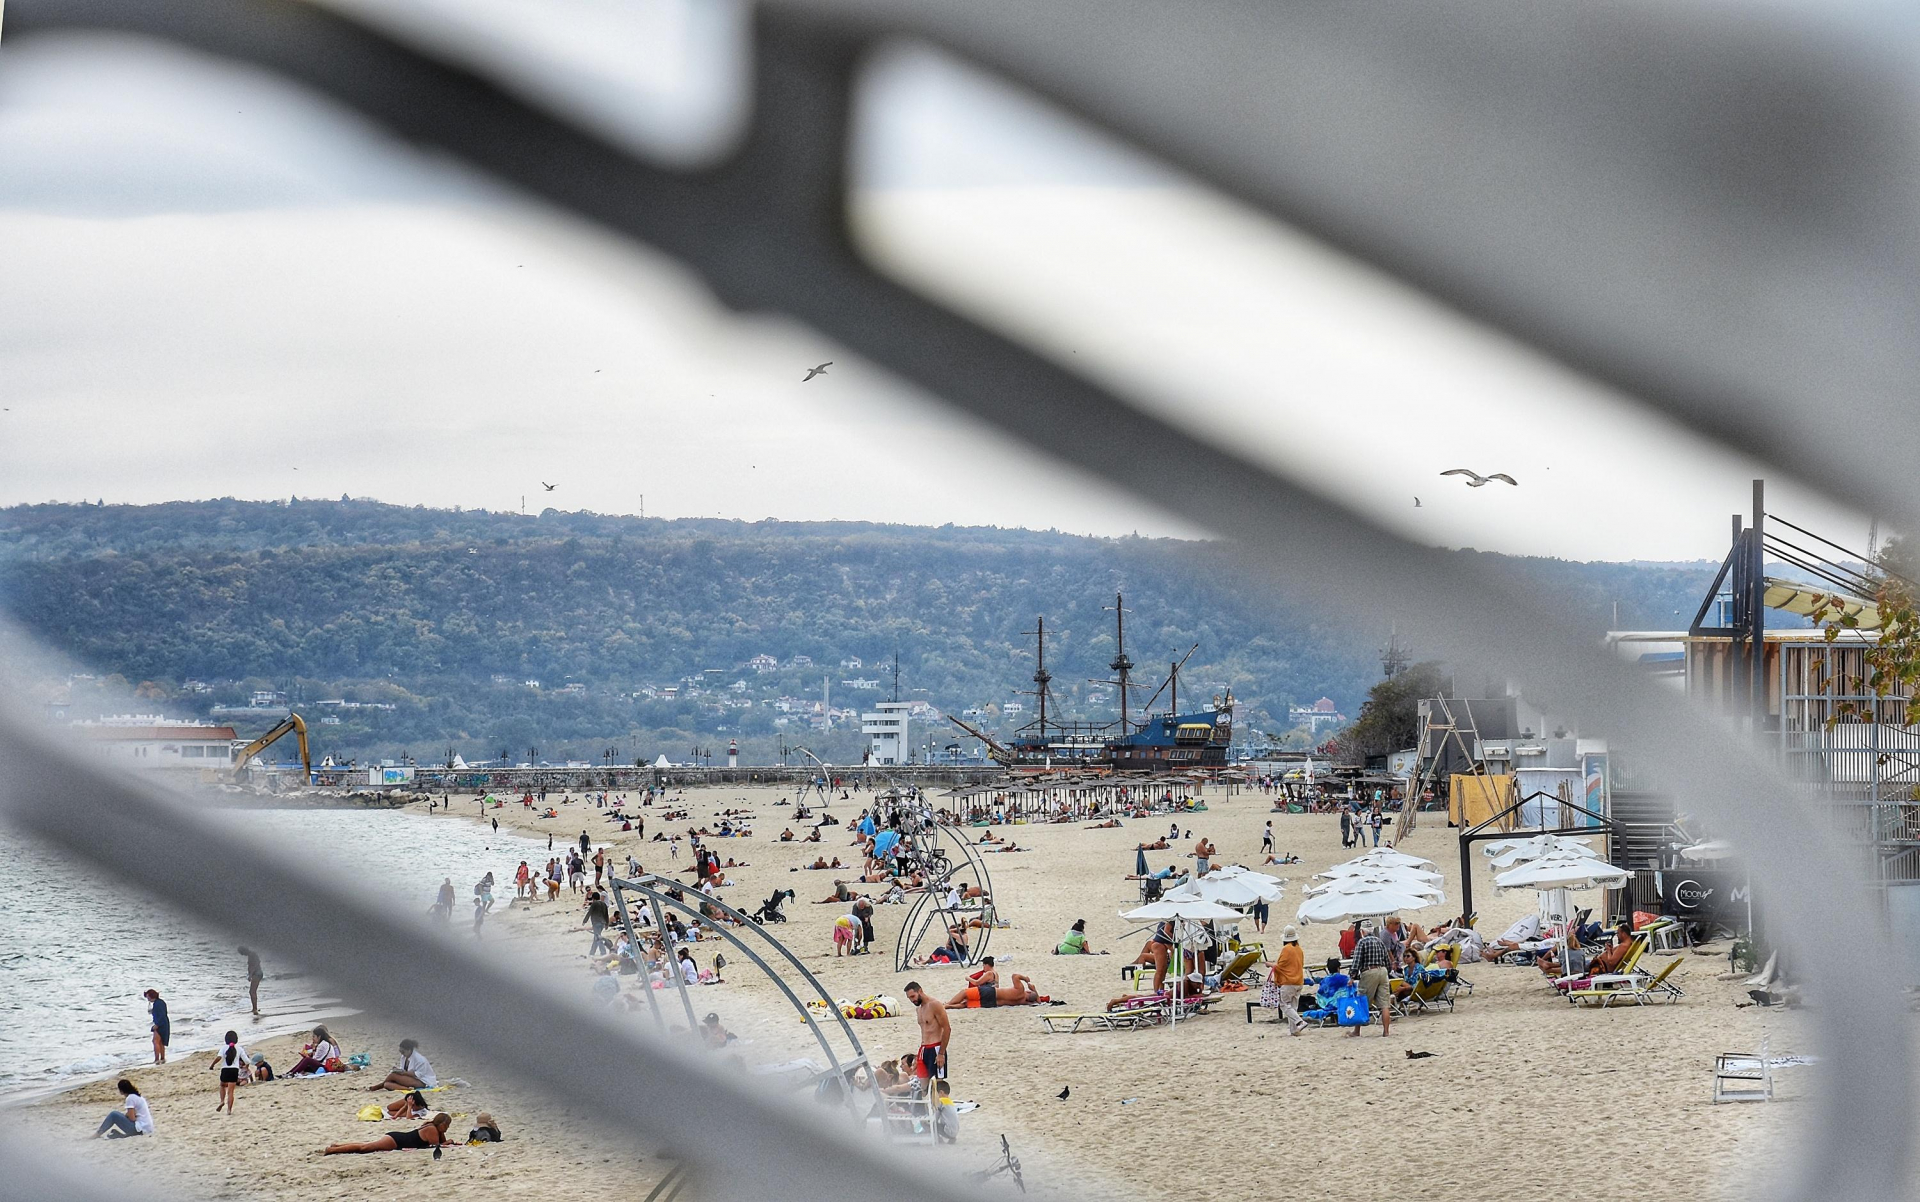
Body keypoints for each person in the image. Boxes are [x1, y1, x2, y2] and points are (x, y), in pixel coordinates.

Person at [324, 1113, 453, 1154]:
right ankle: (332, 1150)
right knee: (365, 1148)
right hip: (396, 1140)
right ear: (440, 1124)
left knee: (367, 1145)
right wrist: (449, 1142)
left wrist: (446, 1140)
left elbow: (441, 1142)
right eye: (446, 1125)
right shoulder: (432, 1129)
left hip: (397, 1138)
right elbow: (436, 1145)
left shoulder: (435, 1129)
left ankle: (337, 1146)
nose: (447, 1128)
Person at [1350, 923, 1392, 1038]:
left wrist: (1352, 976)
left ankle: (1357, 1031)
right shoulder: (1379, 941)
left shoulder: (1362, 942)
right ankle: (1386, 1031)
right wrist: (1387, 971)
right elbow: (1387, 959)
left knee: (1362, 1001)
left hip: (1369, 971)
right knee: (1384, 1004)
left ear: (1362, 931)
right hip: (1382, 970)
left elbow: (1356, 961)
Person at [903, 981, 950, 1083]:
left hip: (936, 1048)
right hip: (923, 1049)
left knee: (938, 1084)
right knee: (923, 1085)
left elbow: (946, 1028)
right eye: (909, 998)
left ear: (920, 991)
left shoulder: (934, 1005)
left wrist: (941, 1053)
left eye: (913, 996)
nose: (912, 1000)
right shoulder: (919, 1009)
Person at [1270, 926, 1306, 1035]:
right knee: (1293, 1007)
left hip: (1288, 982)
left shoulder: (1287, 949)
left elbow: (1280, 966)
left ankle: (1299, 1021)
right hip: (1299, 981)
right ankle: (1294, 1030)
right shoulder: (1299, 949)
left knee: (1284, 1005)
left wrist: (1269, 965)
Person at [368, 1039, 437, 1091]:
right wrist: (398, 1070)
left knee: (392, 1076)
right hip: (411, 1079)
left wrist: (403, 1073)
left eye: (403, 1052)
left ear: (409, 1050)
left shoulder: (420, 1059)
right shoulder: (404, 1057)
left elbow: (418, 1075)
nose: (402, 1054)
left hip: (423, 1081)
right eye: (400, 1052)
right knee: (387, 1085)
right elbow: (404, 1070)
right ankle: (407, 1089)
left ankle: (379, 1086)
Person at [209, 1030, 249, 1114]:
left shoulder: (223, 1048)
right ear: (236, 1039)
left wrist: (212, 1065)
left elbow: (219, 1058)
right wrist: (246, 1066)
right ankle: (229, 1110)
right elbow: (247, 1061)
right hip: (234, 1070)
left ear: (226, 1039)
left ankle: (222, 1101)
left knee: (222, 1085)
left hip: (225, 1069)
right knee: (231, 1091)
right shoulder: (239, 1049)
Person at [144, 988, 169, 1064]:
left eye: (148, 997)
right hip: (164, 1023)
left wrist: (157, 1025)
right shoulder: (160, 1002)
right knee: (161, 1042)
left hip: (160, 1023)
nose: (147, 999)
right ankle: (162, 1058)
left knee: (155, 1041)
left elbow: (161, 1015)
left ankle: (157, 1059)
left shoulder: (157, 1004)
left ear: (151, 996)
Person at [238, 946, 264, 1015]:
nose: (242, 955)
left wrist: (250, 975)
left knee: (252, 991)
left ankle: (255, 1008)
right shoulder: (252, 954)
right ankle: (254, 1008)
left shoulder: (252, 955)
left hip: (256, 973)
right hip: (258, 973)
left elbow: (255, 965)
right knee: (253, 991)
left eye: (242, 953)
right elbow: (257, 962)